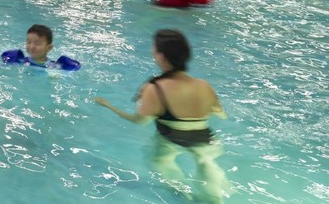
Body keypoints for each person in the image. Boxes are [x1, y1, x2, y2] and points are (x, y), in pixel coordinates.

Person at [94, 29, 231, 203]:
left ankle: (183, 195)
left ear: (161, 56)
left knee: (159, 160)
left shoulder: (156, 88)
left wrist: (109, 106)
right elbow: (220, 114)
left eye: (154, 49)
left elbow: (139, 121)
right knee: (204, 160)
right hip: (207, 138)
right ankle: (214, 187)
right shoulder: (204, 85)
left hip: (172, 138)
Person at [1, 23, 80, 70]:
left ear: (49, 48)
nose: (32, 46)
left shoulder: (54, 66)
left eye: (37, 43)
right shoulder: (20, 61)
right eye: (28, 42)